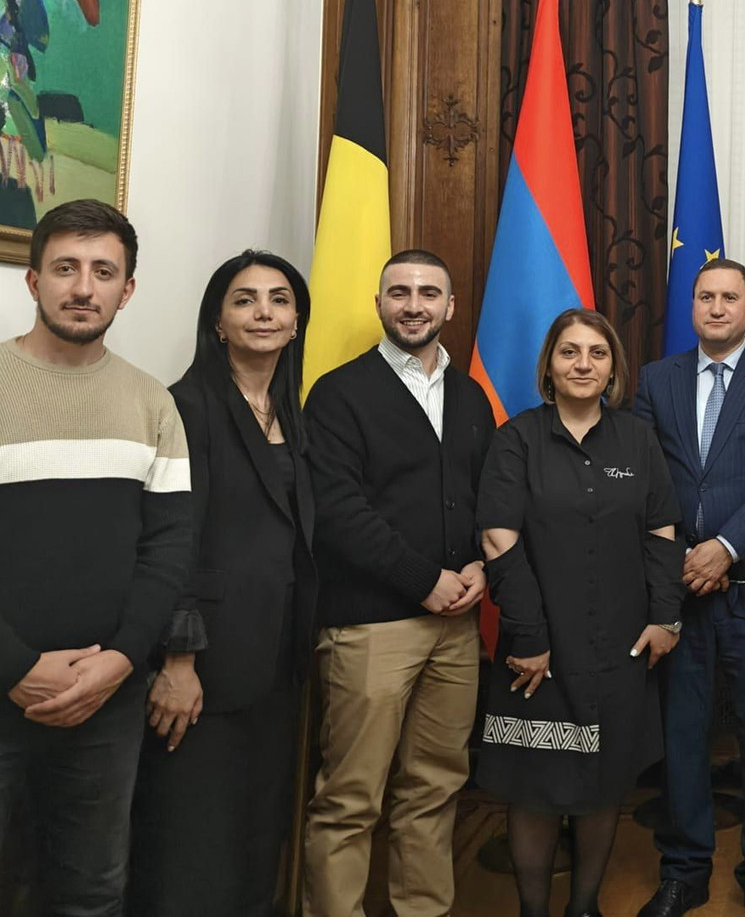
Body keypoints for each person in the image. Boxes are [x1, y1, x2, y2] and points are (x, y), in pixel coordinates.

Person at [0, 199, 192, 915]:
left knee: (90, 891)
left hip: (106, 701)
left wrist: (120, 661)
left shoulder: (152, 404)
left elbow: (170, 548)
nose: (83, 287)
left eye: (103, 271)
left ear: (128, 290)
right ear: (33, 281)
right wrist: (17, 669)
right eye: (66, 269)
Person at [303, 249, 496, 917]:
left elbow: (482, 498)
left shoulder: (471, 397)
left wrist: (478, 563)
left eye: (428, 293)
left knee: (435, 789)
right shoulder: (337, 393)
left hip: (455, 627)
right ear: (379, 302)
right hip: (370, 626)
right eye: (399, 292)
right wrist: (423, 580)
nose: (413, 304)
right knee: (350, 798)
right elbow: (336, 511)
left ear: (451, 306)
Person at [475, 308, 684, 917]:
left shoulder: (638, 439)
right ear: (550, 365)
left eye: (596, 353)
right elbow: (497, 540)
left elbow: (664, 530)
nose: (583, 364)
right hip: (536, 649)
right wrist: (529, 635)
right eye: (570, 352)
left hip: (621, 648)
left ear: (613, 366)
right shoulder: (516, 438)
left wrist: (665, 616)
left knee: (602, 786)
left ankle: (584, 906)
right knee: (534, 791)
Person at [129, 251, 318, 916]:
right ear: (218, 322)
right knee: (192, 838)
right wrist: (178, 659)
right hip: (204, 660)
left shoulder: (292, 409)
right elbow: (170, 540)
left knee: (255, 830)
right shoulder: (189, 404)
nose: (262, 312)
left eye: (277, 299)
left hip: (275, 658)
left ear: (297, 320)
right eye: (243, 300)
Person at [633, 260, 745, 917]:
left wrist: (725, 547)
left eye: (728, 297)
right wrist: (683, 555)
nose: (715, 307)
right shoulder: (657, 379)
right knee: (683, 736)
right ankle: (684, 870)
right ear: (691, 307)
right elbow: (644, 476)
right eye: (704, 297)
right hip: (678, 588)